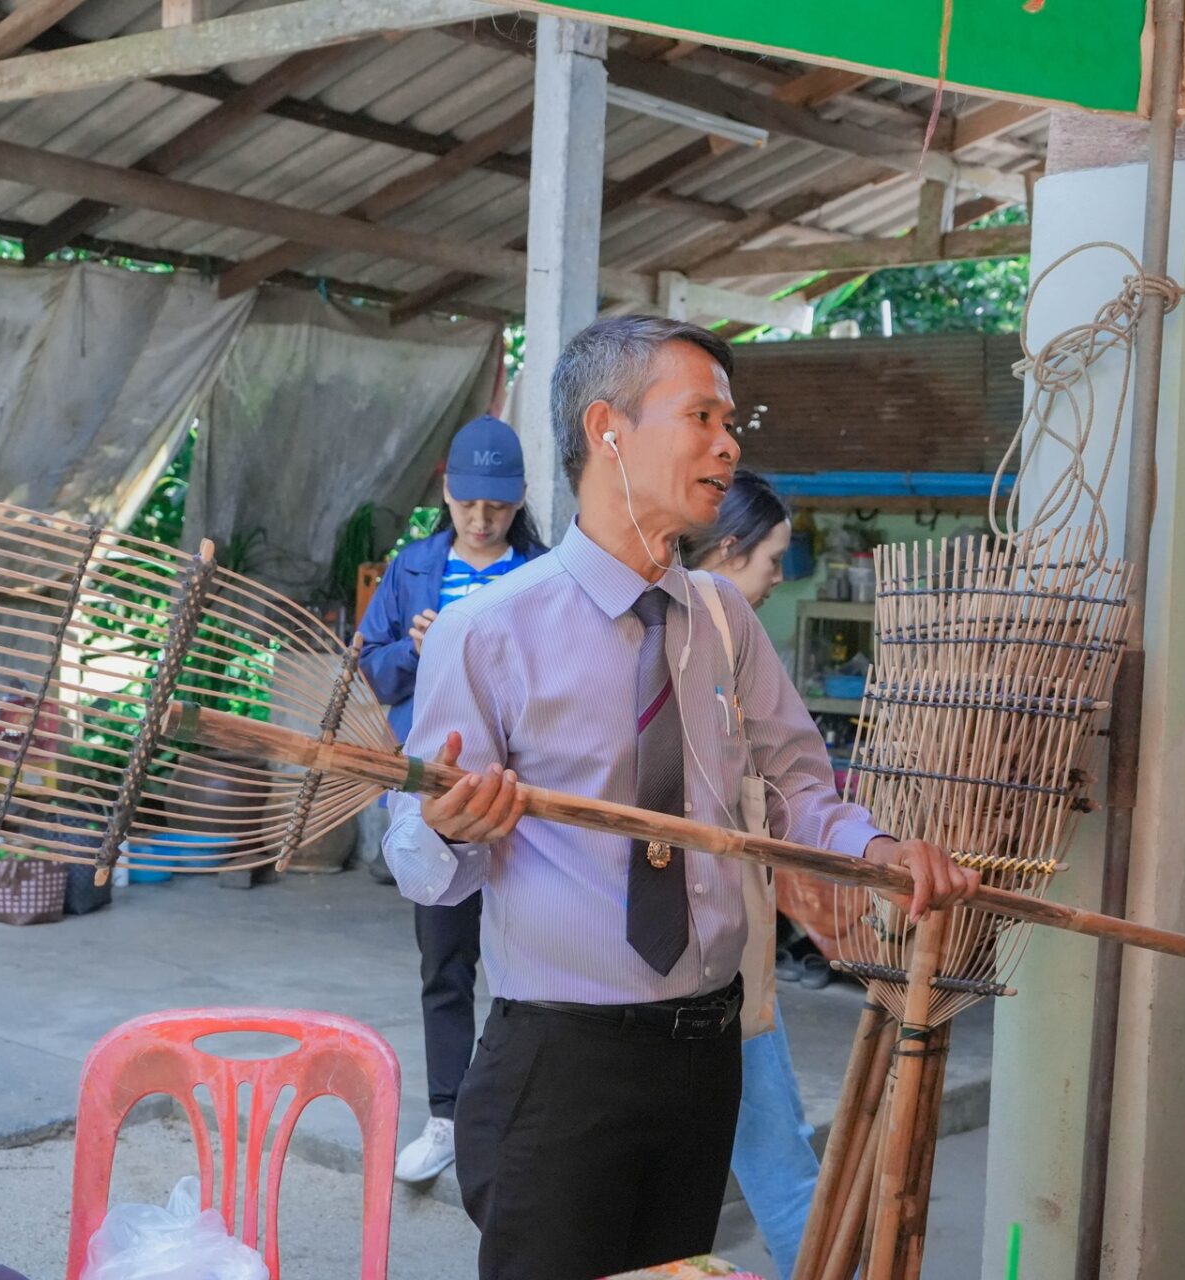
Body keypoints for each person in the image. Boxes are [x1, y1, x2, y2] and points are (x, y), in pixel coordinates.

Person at [383, 315, 975, 1280]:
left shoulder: (723, 619)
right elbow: (418, 860)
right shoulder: (488, 632)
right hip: (561, 1067)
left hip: (705, 1052)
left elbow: (795, 787)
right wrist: (451, 828)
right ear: (608, 429)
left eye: (730, 422)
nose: (729, 445)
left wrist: (877, 851)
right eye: (702, 417)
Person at [356, 414, 546, 1185]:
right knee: (445, 959)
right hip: (437, 798)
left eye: (496, 506)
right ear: (448, 494)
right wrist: (414, 649)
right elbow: (369, 668)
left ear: (519, 499)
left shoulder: (545, 574)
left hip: (531, 798)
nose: (481, 519)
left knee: (534, 963)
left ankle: (519, 1122)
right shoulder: (413, 569)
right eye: (469, 504)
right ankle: (446, 1117)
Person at [680, 471, 816, 1280]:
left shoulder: (729, 651)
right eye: (771, 561)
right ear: (728, 551)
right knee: (779, 1158)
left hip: (729, 957)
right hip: (703, 966)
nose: (776, 581)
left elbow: (794, 784)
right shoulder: (697, 646)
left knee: (770, 1151)